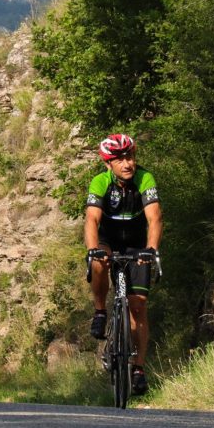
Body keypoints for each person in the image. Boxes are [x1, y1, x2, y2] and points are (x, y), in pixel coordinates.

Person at [85, 134, 162, 395]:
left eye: (130, 157)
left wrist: (151, 250)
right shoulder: (100, 182)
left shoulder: (145, 179)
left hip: (138, 243)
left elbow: (154, 219)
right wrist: (93, 249)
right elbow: (92, 221)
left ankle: (138, 368)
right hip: (109, 239)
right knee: (98, 261)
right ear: (108, 163)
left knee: (138, 306)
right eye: (120, 159)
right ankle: (100, 312)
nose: (127, 163)